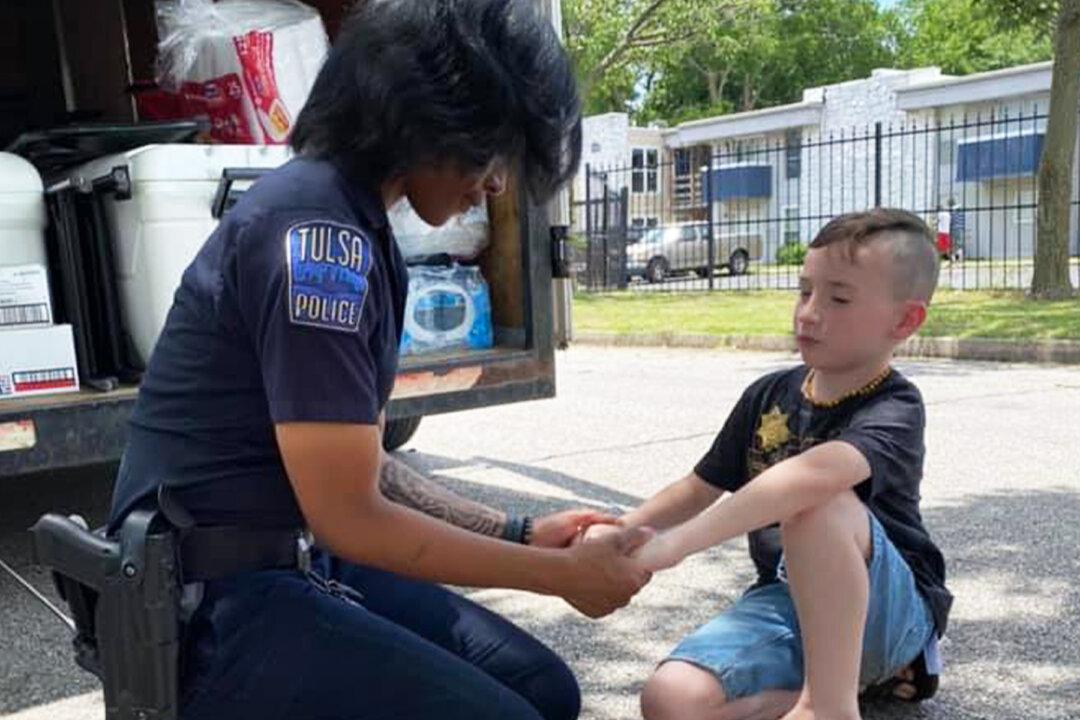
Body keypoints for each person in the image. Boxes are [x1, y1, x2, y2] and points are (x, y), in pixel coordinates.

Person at [106, 1, 652, 719]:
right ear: (427, 117)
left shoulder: (351, 224)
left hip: (280, 566)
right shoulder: (318, 241)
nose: (493, 183)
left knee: (545, 690)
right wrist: (557, 575)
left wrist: (519, 532)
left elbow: (363, 468)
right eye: (489, 150)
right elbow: (352, 517)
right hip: (209, 608)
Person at [582, 209, 953, 720]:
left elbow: (810, 479)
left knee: (816, 506)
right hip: (787, 602)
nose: (809, 312)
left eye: (838, 298)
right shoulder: (769, 394)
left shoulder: (896, 407)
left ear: (905, 321)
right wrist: (621, 531)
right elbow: (700, 485)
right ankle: (842, 695)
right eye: (805, 291)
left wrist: (672, 548)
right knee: (669, 700)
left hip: (886, 614)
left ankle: (831, 703)